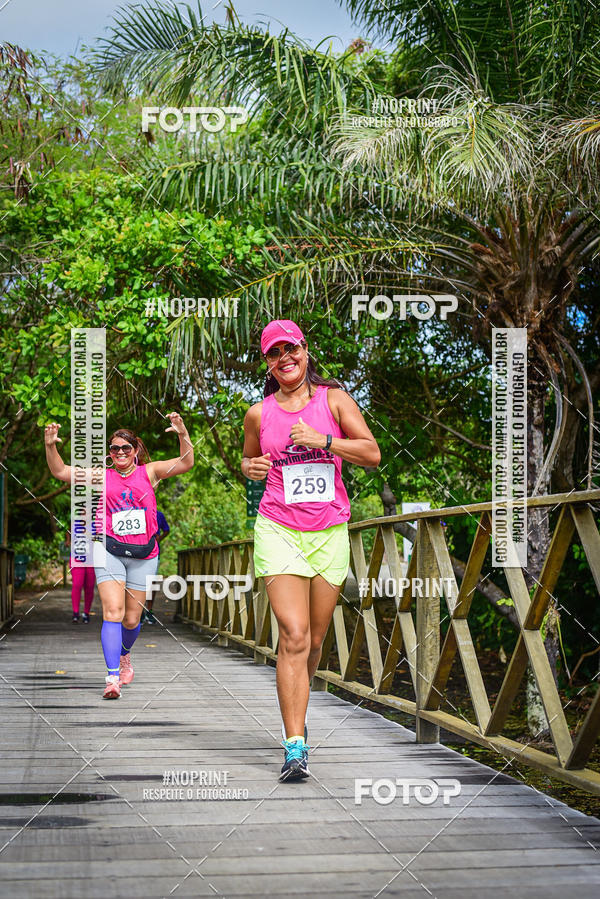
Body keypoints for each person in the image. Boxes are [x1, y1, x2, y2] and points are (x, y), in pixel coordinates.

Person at [242, 320, 380, 781]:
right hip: (278, 528)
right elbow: (246, 460)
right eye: (274, 353)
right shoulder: (259, 414)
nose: (284, 358)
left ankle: (299, 708)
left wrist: (322, 440)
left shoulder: (333, 399)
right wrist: (254, 467)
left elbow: (371, 453)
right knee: (294, 635)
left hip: (328, 533)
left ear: (304, 350)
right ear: (267, 362)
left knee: (314, 642)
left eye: (291, 348)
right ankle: (295, 746)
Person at [44, 413, 194, 699]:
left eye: (126, 448)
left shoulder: (150, 472)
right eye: (115, 449)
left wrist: (182, 434)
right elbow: (61, 471)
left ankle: (125, 655)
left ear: (135, 450)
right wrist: (51, 446)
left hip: (144, 553)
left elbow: (187, 462)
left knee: (132, 619)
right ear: (110, 454)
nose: (120, 453)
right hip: (109, 549)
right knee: (113, 612)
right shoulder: (103, 476)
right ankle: (112, 677)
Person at [141, 509, 170, 624]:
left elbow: (167, 530)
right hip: (138, 552)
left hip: (154, 552)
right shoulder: (136, 512)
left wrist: (159, 540)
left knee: (152, 582)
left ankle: (149, 610)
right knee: (139, 582)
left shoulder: (159, 514)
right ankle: (139, 611)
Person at [65, 528, 96, 623]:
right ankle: (75, 613)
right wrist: (68, 541)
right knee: (77, 585)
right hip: (77, 559)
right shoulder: (76, 523)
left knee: (89, 587)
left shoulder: (96, 524)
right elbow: (68, 532)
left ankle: (86, 613)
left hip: (91, 559)